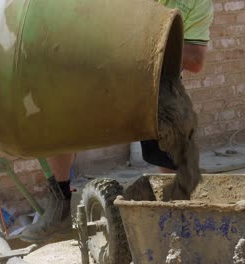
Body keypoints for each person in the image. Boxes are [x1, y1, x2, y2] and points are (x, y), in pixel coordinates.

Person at [21, 0, 214, 243]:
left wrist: (145, 41)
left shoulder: (197, 3)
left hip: (153, 82)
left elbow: (196, 60)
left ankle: (175, 214)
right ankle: (59, 206)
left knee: (177, 122)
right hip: (100, 71)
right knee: (54, 108)